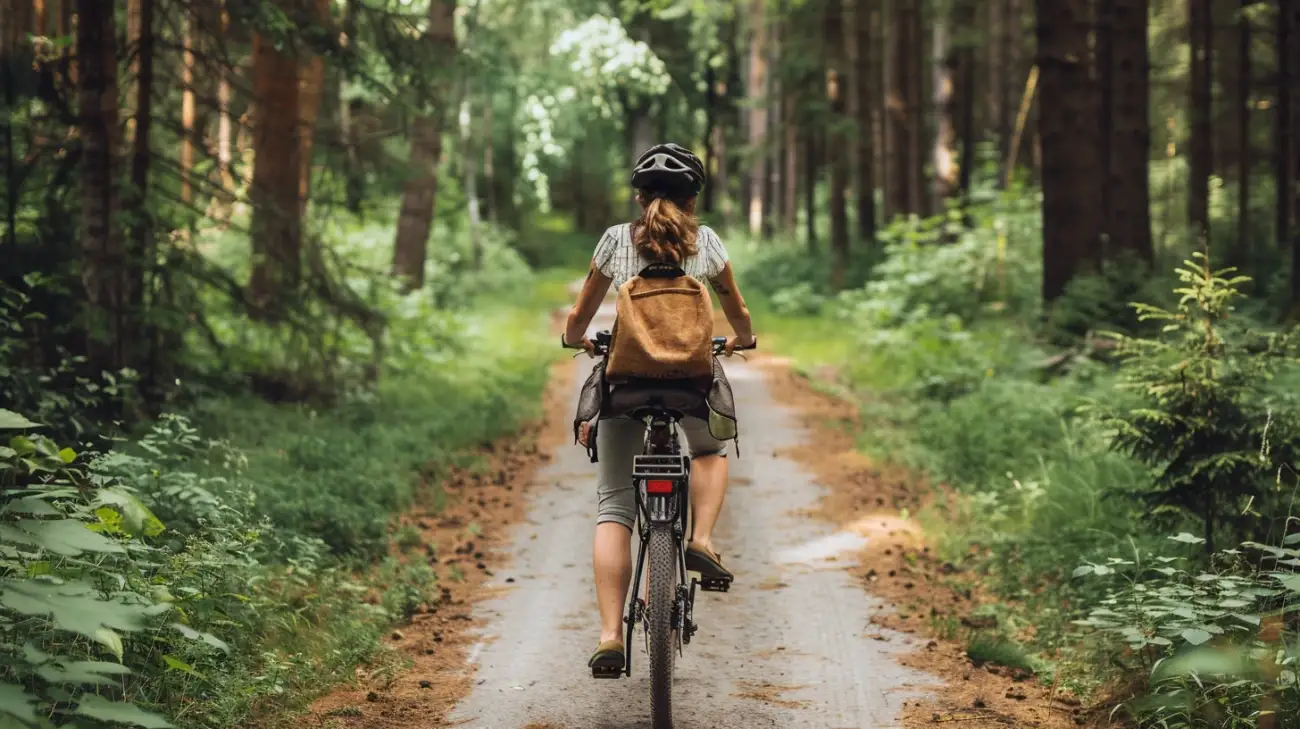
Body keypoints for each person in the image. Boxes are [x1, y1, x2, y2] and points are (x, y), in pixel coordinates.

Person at [561, 142, 757, 674]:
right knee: (711, 449)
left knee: (615, 504)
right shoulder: (707, 242)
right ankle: (700, 539)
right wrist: (742, 338)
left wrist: (575, 338)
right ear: (693, 199)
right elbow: (736, 308)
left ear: (639, 194)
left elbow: (580, 314)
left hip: (625, 384)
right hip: (689, 382)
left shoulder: (613, 241)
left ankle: (608, 637)